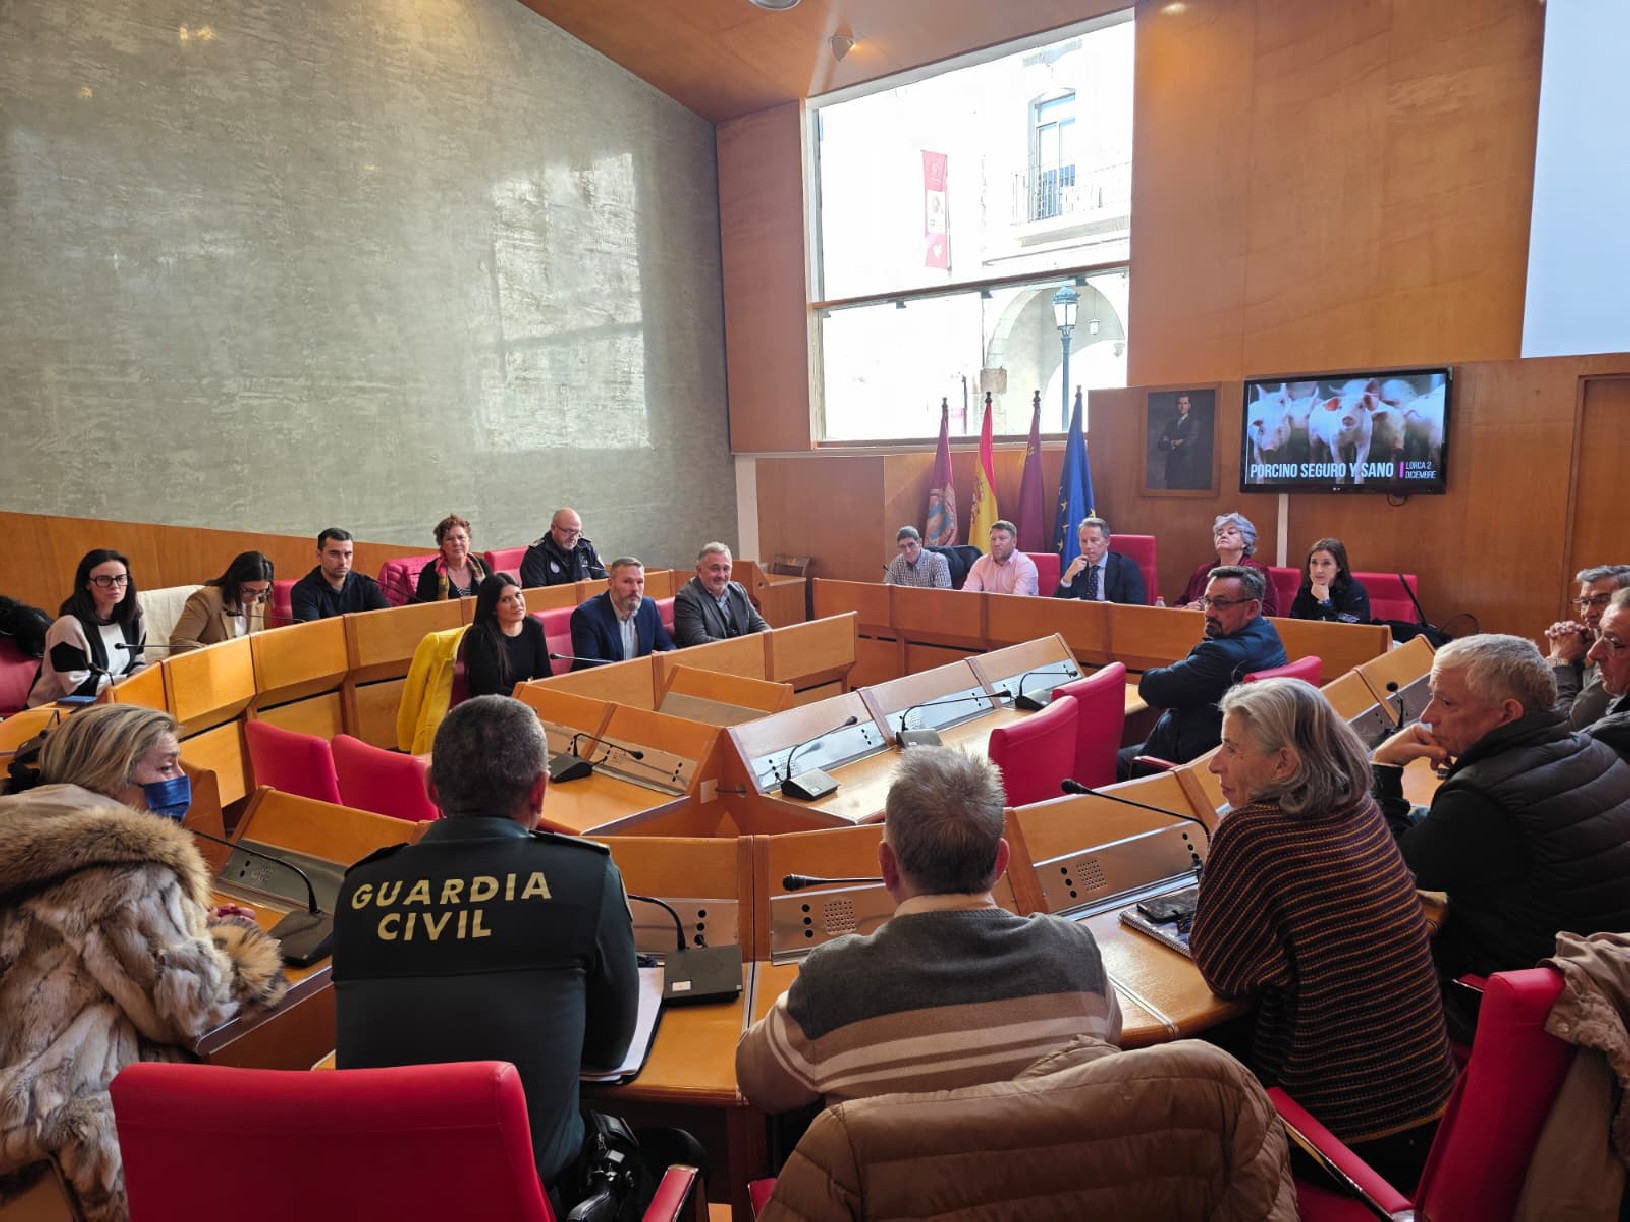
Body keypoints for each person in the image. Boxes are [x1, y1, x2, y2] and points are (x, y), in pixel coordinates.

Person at [332, 695, 640, 1205]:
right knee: (677, 1146)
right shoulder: (586, 876)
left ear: (431, 788)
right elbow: (608, 1053)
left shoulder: (360, 890)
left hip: (386, 1200)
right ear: (540, 789)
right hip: (531, 1201)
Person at [0, 704, 288, 1222]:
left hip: (12, 1081)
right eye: (166, 766)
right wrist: (239, 944)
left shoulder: (23, 831)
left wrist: (182, 922)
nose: (180, 780)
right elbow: (194, 1009)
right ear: (112, 773)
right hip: (63, 1108)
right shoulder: (125, 864)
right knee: (268, 1078)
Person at [735, 747, 1121, 1114]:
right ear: (1001, 861)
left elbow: (759, 1084)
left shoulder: (832, 982)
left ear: (887, 866)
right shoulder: (1077, 952)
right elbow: (1111, 1039)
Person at [1191, 679, 1455, 1190]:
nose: (1215, 765)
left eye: (1231, 748)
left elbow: (1226, 977)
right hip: (1430, 1108)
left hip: (1338, 1136)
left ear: (1283, 764)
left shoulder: (1251, 832)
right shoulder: (1360, 807)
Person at [1371, 634, 1630, 986]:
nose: (1428, 716)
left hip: (1525, 986)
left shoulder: (1484, 795)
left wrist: (1383, 768)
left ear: (1508, 712)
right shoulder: (1591, 748)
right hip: (1600, 970)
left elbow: (1395, 868)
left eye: (1446, 702)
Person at [1119, 566, 1287, 777]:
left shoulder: (1222, 656)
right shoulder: (1268, 634)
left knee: (1101, 762)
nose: (1208, 612)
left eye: (1221, 604)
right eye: (1207, 601)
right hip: (1226, 751)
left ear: (1252, 609)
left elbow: (1152, 688)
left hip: (1189, 765)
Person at [26, 548, 147, 707]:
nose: (115, 585)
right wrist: (132, 680)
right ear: (87, 584)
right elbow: (78, 688)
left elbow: (138, 663)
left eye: (121, 578)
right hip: (56, 712)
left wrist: (141, 679)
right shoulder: (68, 626)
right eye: (104, 579)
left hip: (111, 705)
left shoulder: (134, 620)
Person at [1544, 564, 1630, 729]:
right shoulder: (1593, 649)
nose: (1588, 613)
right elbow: (1577, 703)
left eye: (1602, 600)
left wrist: (1559, 660)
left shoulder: (1619, 656)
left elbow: (1566, 728)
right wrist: (1574, 658)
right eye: (1584, 602)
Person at [568, 558, 675, 670]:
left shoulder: (648, 606)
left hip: (642, 676)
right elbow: (589, 664)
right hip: (602, 679)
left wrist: (663, 655)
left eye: (639, 582)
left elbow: (666, 645)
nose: (635, 589)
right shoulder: (586, 615)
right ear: (611, 583)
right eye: (627, 582)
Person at [462, 574, 550, 698]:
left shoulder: (534, 627)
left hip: (526, 701)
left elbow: (544, 677)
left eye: (518, 595)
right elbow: (489, 689)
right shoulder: (479, 636)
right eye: (506, 600)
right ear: (493, 608)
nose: (516, 603)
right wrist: (528, 699)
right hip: (493, 705)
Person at [1177, 513, 1279, 616]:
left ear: (1245, 542)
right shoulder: (1202, 571)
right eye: (1219, 533)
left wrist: (1221, 609)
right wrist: (1186, 609)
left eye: (1231, 532)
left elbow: (1269, 610)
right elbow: (1178, 605)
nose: (1223, 535)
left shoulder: (1256, 571)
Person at [170, 550, 274, 651]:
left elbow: (257, 643)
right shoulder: (206, 599)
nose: (254, 598)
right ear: (234, 581)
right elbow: (179, 643)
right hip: (209, 661)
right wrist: (219, 653)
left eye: (262, 591)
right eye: (248, 591)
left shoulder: (259, 599)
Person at [673, 542, 770, 647]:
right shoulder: (687, 599)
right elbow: (698, 640)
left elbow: (758, 624)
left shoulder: (737, 590)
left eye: (726, 569)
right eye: (715, 569)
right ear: (699, 570)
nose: (722, 575)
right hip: (708, 656)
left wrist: (770, 638)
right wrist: (741, 646)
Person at [290, 527, 390, 621]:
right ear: (319, 555)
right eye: (334, 554)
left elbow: (388, 620)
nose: (343, 562)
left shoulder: (366, 583)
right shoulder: (303, 591)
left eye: (348, 554)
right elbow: (313, 631)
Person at [1053, 516, 1147, 604]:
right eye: (1084, 541)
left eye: (1094, 540)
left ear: (1107, 541)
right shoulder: (1076, 566)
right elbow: (1057, 606)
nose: (1088, 546)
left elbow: (1136, 605)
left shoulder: (1125, 567)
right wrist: (1067, 577)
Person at [1288, 537, 1371, 623]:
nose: (1318, 570)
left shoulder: (1355, 591)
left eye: (1326, 563)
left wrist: (1325, 601)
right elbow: (1293, 624)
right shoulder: (1306, 588)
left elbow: (1344, 630)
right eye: (1314, 562)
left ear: (1339, 566)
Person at [520, 508, 609, 588]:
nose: (573, 537)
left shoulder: (586, 548)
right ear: (553, 528)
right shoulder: (536, 554)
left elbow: (605, 583)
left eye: (577, 532)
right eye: (568, 531)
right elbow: (536, 595)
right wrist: (576, 590)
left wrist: (591, 587)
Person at [415, 513, 489, 601]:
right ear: (442, 544)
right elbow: (423, 608)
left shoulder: (482, 566)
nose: (456, 543)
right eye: (449, 539)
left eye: (461, 537)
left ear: (469, 541)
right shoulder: (430, 572)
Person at [961, 520, 1039, 596]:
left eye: (1002, 539)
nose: (996, 543)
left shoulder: (1025, 566)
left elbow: (1019, 602)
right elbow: (967, 596)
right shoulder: (980, 564)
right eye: (993, 539)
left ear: (1014, 542)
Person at [1157, 392, 1204, 489]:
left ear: (1189, 405)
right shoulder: (1170, 424)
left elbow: (1187, 445)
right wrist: (1173, 442)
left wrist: (1169, 443)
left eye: (1185, 403)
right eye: (1180, 403)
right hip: (1171, 471)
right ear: (1176, 405)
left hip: (1186, 471)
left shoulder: (1194, 423)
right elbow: (1160, 445)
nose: (1182, 406)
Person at [883, 526, 951, 588]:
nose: (907, 551)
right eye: (903, 547)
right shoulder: (897, 563)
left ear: (919, 542)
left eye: (911, 544)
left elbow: (943, 595)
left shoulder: (938, 561)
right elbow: (886, 591)